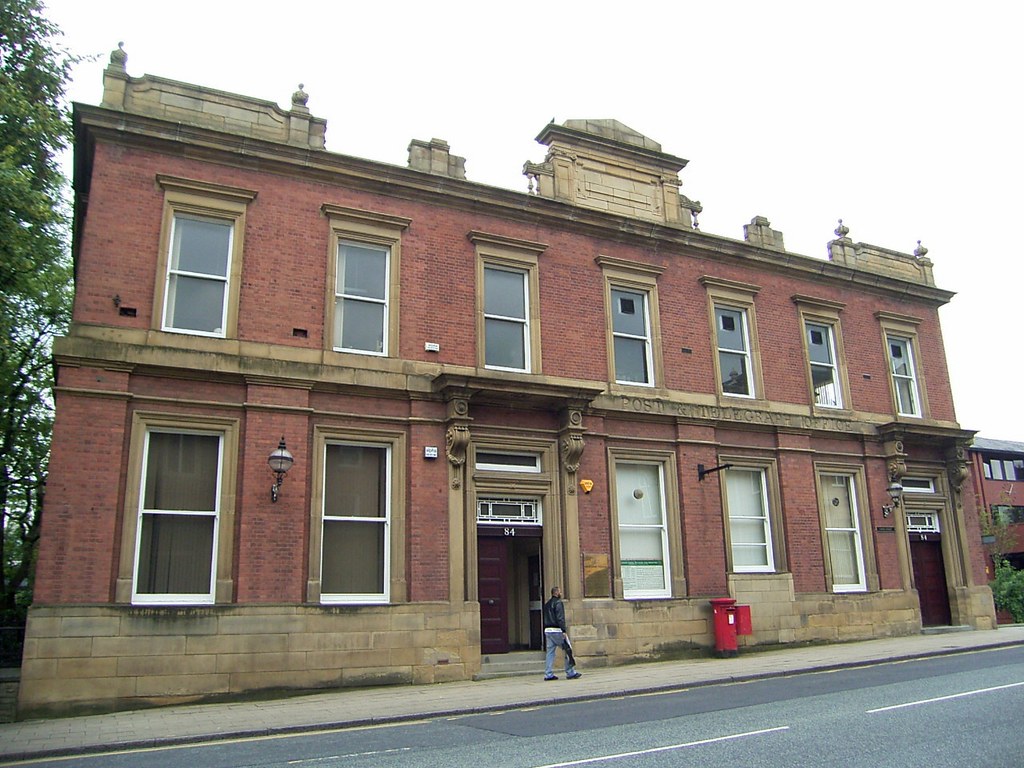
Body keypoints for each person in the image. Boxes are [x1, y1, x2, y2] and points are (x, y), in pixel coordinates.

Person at [542, 585, 581, 680]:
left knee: (550, 652)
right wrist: (563, 630)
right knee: (568, 649)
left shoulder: (547, 604)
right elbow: (560, 618)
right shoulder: (558, 603)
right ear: (556, 593)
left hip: (548, 630)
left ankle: (548, 674)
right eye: (560, 592)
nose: (561, 594)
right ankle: (570, 672)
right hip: (557, 630)